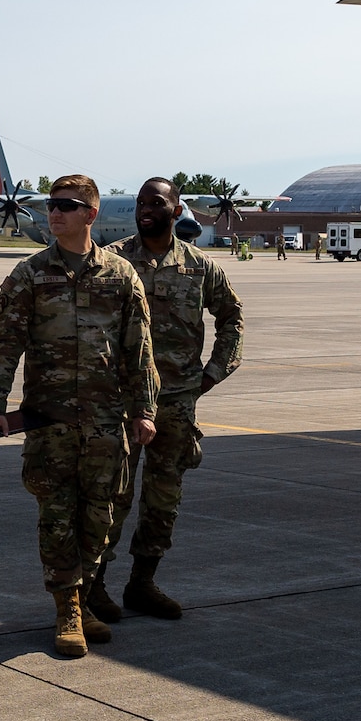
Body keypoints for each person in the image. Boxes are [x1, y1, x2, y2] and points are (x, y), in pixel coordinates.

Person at [0, 173, 157, 659]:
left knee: (100, 518)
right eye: (51, 204)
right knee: (57, 518)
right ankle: (68, 611)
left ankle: (85, 594)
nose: (53, 212)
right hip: (50, 421)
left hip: (105, 422)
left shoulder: (121, 275)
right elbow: (5, 347)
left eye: (66, 205)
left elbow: (138, 352)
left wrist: (144, 411)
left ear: (90, 214)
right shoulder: (30, 274)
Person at [88, 178, 243, 623]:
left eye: (155, 203)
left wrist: (212, 374)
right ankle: (95, 586)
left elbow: (232, 318)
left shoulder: (199, 266)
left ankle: (142, 583)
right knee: (111, 495)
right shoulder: (114, 262)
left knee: (163, 498)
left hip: (176, 401)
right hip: (122, 402)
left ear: (176, 211)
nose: (145, 209)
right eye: (141, 202)